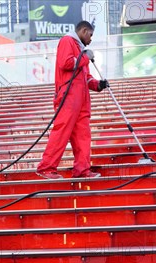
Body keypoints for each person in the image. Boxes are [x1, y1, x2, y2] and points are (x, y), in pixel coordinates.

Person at [36, 20, 109, 179]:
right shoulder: (67, 41)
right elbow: (67, 63)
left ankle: (82, 170)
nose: (90, 39)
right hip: (68, 98)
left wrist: (98, 85)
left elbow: (86, 78)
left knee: (83, 136)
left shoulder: (81, 50)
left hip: (81, 101)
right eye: (90, 35)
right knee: (61, 132)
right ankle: (46, 168)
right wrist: (85, 57)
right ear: (83, 31)